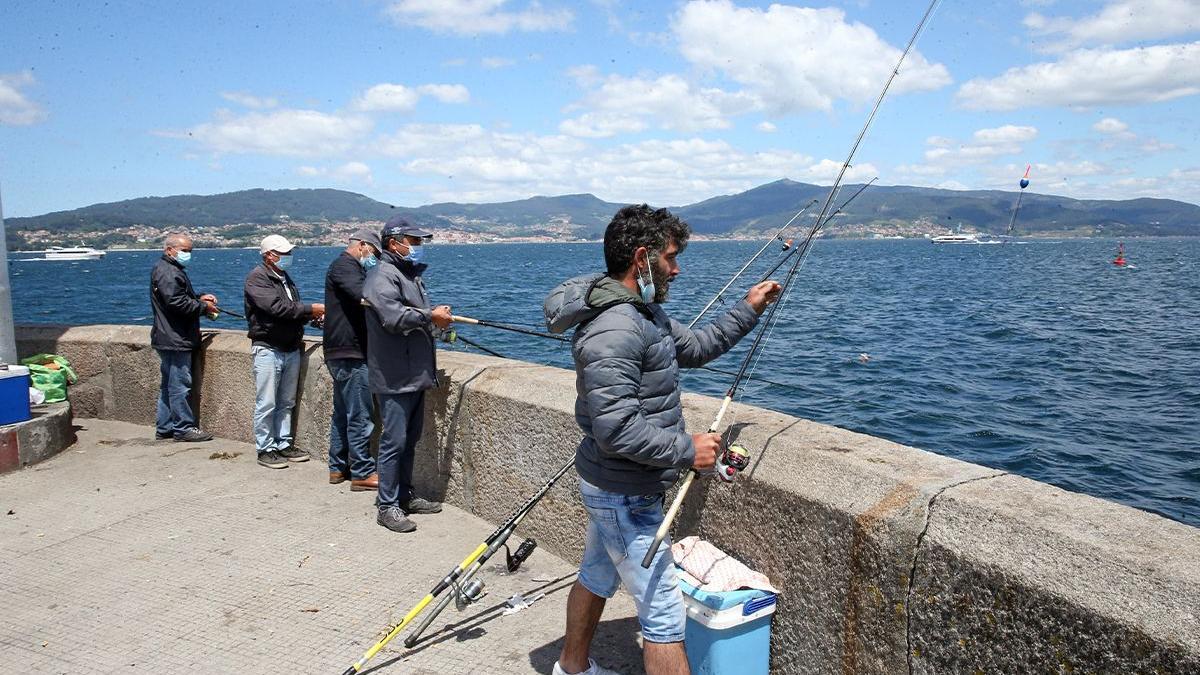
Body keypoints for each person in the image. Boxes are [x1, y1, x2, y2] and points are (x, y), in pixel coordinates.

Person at [542, 204, 781, 675]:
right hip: (623, 491)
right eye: (671, 257)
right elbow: (616, 428)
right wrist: (687, 449)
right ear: (642, 257)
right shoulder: (615, 328)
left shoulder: (642, 313)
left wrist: (749, 306)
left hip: (614, 485)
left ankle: (572, 668)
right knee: (665, 618)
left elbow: (695, 347)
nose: (677, 267)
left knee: (595, 575)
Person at [363, 217, 452, 533]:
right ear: (393, 243)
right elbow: (392, 316)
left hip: (414, 374)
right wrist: (430, 316)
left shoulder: (408, 276)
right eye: (413, 242)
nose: (417, 248)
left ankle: (404, 494)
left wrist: (433, 317)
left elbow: (413, 316)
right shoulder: (381, 276)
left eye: (419, 243)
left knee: (410, 440)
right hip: (394, 375)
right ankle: (387, 506)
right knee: (394, 441)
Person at [244, 234, 325, 469]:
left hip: (290, 347)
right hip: (268, 348)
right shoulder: (257, 278)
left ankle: (283, 442)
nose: (289, 257)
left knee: (286, 401)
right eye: (285, 253)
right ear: (270, 255)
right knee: (267, 401)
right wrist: (312, 308)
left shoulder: (284, 278)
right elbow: (277, 308)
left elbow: (291, 312)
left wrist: (311, 317)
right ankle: (265, 448)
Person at [323, 229, 382, 490]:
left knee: (343, 413)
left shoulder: (345, 267)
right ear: (362, 246)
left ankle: (337, 468)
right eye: (375, 253)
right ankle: (361, 471)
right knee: (360, 414)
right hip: (350, 352)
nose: (375, 259)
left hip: (341, 351)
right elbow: (365, 295)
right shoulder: (345, 266)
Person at [150, 232, 217, 442]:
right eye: (184, 251)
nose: (188, 254)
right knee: (180, 385)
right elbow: (177, 304)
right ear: (170, 250)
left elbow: (176, 297)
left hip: (167, 336)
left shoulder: (166, 269)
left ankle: (165, 426)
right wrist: (204, 307)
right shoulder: (169, 272)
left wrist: (198, 298)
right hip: (175, 338)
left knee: (168, 385)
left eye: (190, 251)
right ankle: (183, 427)